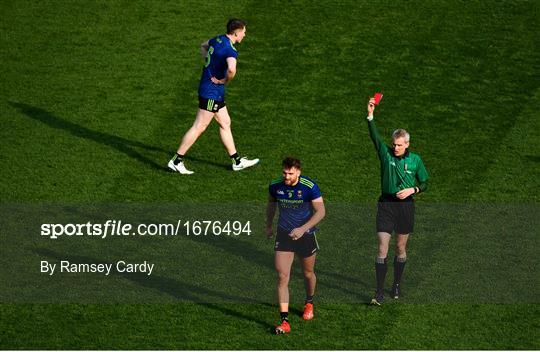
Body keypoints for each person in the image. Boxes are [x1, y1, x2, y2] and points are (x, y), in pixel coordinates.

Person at [168, 19, 259, 174]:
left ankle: (236, 161)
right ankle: (176, 160)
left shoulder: (218, 39)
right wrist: (224, 80)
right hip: (211, 92)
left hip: (210, 89)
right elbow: (231, 69)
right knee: (199, 126)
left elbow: (203, 45)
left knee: (225, 122)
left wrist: (209, 65)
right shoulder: (231, 50)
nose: (245, 34)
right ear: (236, 32)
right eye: (244, 31)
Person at [365, 97, 429, 305]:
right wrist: (370, 116)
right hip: (386, 206)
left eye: (399, 145)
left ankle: (397, 285)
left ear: (407, 144)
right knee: (382, 249)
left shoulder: (415, 160)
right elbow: (375, 138)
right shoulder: (386, 156)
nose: (395, 148)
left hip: (406, 208)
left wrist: (414, 189)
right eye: (393, 144)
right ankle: (378, 291)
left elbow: (426, 182)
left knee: (401, 249)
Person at [266, 157, 326, 334]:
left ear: (298, 172)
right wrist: (268, 225)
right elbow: (271, 205)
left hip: (306, 235)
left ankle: (309, 302)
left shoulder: (309, 186)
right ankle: (284, 321)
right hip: (284, 234)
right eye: (284, 172)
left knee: (308, 273)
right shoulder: (276, 185)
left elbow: (321, 211)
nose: (286, 176)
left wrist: (302, 229)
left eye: (290, 173)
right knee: (282, 276)